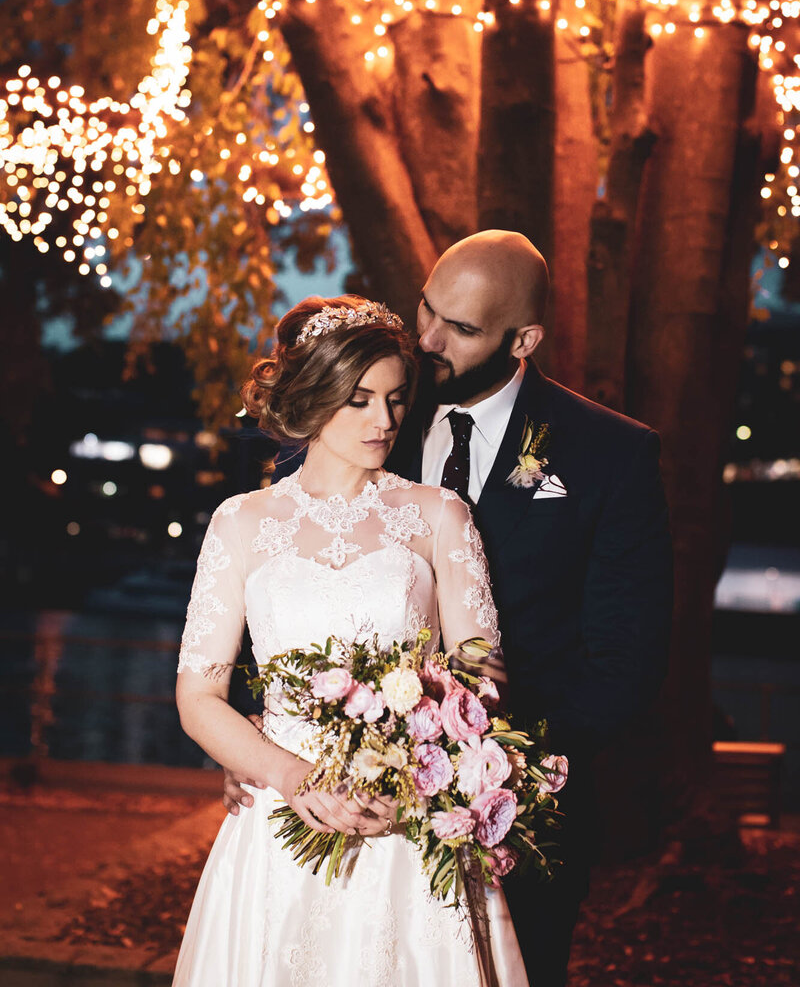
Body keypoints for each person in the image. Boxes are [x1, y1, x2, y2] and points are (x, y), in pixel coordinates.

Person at [225, 230, 674, 987]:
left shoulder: (609, 456)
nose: (426, 340)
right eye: (426, 310)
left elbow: (625, 664)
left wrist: (483, 769)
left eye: (460, 330)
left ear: (523, 338)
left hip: (513, 817)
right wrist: (257, 739)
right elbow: (275, 571)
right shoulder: (364, 409)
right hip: (327, 802)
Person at [172, 294, 529, 986]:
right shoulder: (240, 522)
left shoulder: (439, 516)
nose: (385, 420)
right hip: (281, 828)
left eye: (396, 399)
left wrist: (421, 773)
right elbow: (198, 693)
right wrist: (287, 773)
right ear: (311, 398)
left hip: (407, 823)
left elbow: (484, 677)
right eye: (359, 399)